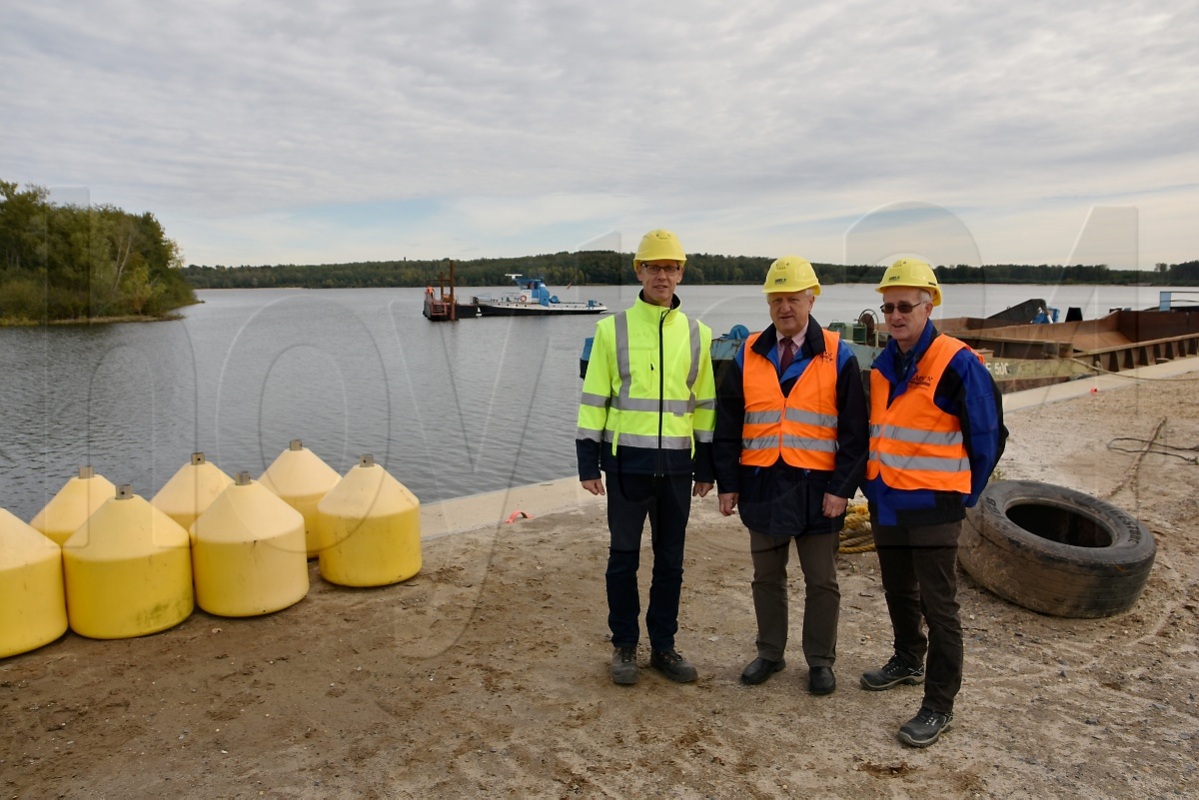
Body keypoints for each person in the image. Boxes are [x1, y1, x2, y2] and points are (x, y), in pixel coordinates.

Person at [860, 258, 1006, 747]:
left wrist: (964, 492)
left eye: (904, 306)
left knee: (940, 605)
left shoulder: (956, 361)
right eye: (888, 307)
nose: (895, 315)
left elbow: (988, 436)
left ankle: (939, 705)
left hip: (935, 504)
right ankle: (907, 659)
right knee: (898, 590)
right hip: (888, 502)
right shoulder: (883, 365)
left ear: (928, 306)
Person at [713, 256, 868, 695]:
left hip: (818, 490)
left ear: (811, 299)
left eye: (793, 299)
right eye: (777, 299)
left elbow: (857, 434)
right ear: (768, 303)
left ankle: (820, 660)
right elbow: (727, 426)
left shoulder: (838, 353)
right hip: (761, 485)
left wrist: (842, 489)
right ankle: (770, 653)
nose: (785, 307)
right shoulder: (748, 353)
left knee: (821, 579)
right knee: (766, 576)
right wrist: (728, 483)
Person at [576, 228, 716, 686]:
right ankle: (623, 645)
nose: (662, 275)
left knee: (671, 563)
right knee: (623, 558)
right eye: (654, 267)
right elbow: (594, 397)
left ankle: (663, 647)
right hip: (624, 468)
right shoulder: (610, 330)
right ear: (639, 271)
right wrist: (587, 460)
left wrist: (707, 465)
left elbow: (705, 405)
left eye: (670, 267)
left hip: (676, 469)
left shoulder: (698, 335)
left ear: (680, 275)